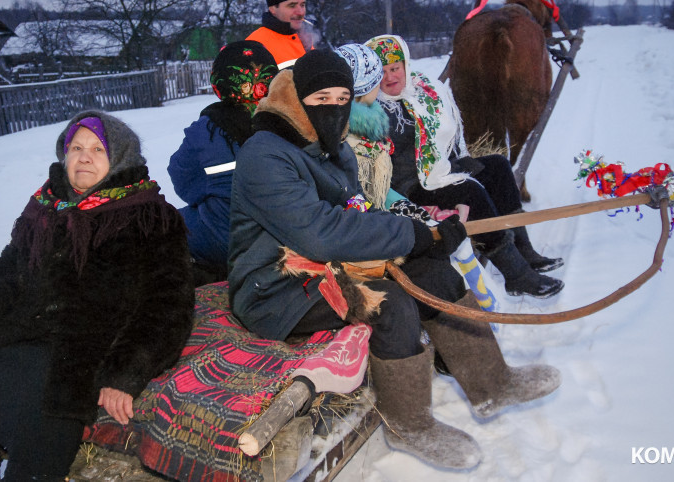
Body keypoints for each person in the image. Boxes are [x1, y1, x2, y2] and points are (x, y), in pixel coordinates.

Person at [227, 49, 560, 470]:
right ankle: (410, 425)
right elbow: (319, 231)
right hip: (276, 285)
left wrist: (428, 231)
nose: (333, 108)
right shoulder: (266, 154)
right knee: (391, 304)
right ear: (298, 99)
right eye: (320, 99)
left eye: (341, 97)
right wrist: (411, 235)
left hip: (330, 264)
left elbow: (358, 212)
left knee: (435, 274)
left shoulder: (330, 148)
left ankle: (494, 383)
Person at [0, 111, 195, 481]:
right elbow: (10, 267)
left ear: (120, 158)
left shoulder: (150, 216)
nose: (84, 157)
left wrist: (125, 374)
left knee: (50, 395)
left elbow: (167, 306)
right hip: (28, 329)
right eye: (76, 147)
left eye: (97, 149)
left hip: (89, 343)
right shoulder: (47, 206)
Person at [366, 34, 565, 298]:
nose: (390, 77)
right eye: (382, 72)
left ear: (405, 65)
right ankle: (516, 275)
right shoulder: (371, 110)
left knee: (497, 167)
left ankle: (524, 249)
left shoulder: (423, 89)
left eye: (395, 68)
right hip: (410, 187)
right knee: (469, 190)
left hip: (440, 169)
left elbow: (448, 130)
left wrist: (457, 158)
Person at [337, 43, 499, 317]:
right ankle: (480, 314)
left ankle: (485, 311)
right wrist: (412, 214)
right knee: (443, 245)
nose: (386, 81)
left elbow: (382, 189)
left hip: (386, 206)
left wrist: (425, 211)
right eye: (378, 76)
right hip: (363, 225)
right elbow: (362, 193)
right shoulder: (352, 130)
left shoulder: (369, 117)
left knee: (453, 235)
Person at [167, 41, 278, 282]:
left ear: (218, 87)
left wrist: (209, 193)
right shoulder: (285, 122)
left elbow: (181, 178)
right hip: (281, 233)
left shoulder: (205, 131)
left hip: (226, 238)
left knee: (168, 225)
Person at [246, 0, 309, 68]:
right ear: (273, 9)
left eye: (302, 5)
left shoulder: (306, 38)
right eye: (292, 6)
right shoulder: (255, 46)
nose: (300, 12)